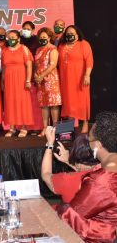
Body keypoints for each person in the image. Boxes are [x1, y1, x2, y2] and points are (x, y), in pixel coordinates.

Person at [56, 111, 117, 242]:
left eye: (89, 138)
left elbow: (72, 215)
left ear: (98, 144)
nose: (88, 142)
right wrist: (68, 162)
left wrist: (58, 208)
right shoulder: (108, 166)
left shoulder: (102, 180)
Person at [41, 129, 99, 203]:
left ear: (74, 154)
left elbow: (45, 174)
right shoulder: (108, 172)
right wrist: (68, 162)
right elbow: (87, 171)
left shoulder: (67, 180)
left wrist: (49, 145)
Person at [58, 25, 93, 133]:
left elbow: (89, 61)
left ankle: (85, 123)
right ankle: (69, 126)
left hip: (80, 78)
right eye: (68, 33)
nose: (70, 35)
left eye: (72, 33)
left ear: (77, 34)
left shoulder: (84, 44)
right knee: (68, 102)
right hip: (66, 80)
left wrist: (87, 75)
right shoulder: (61, 46)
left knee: (82, 101)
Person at [1, 30, 33, 137]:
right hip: (9, 80)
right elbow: (4, 68)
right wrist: (3, 81)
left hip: (21, 78)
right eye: (9, 37)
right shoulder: (5, 50)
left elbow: (29, 65)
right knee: (10, 102)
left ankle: (24, 127)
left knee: (22, 101)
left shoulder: (24, 49)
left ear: (19, 38)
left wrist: (28, 80)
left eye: (13, 37)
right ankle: (12, 128)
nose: (11, 39)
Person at [34, 27, 61, 137]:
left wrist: (42, 75)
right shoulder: (38, 50)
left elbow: (53, 65)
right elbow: (36, 65)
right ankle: (45, 128)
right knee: (43, 105)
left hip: (51, 79)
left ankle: (55, 129)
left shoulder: (53, 49)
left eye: (44, 37)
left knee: (53, 104)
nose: (42, 39)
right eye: (41, 37)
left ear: (49, 38)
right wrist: (36, 75)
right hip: (40, 80)